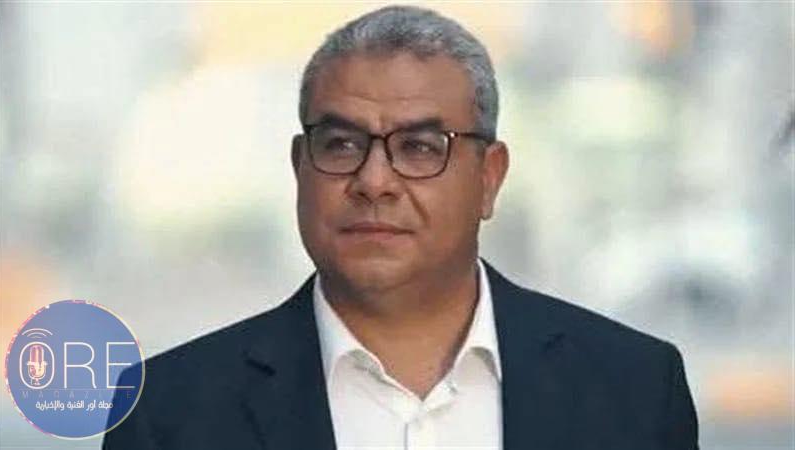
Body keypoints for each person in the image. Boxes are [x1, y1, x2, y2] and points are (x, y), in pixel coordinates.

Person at [102, 5, 699, 450]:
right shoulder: (168, 413)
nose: (374, 181)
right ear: (300, 168)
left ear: (489, 178)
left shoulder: (636, 390)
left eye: (419, 147)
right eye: (341, 144)